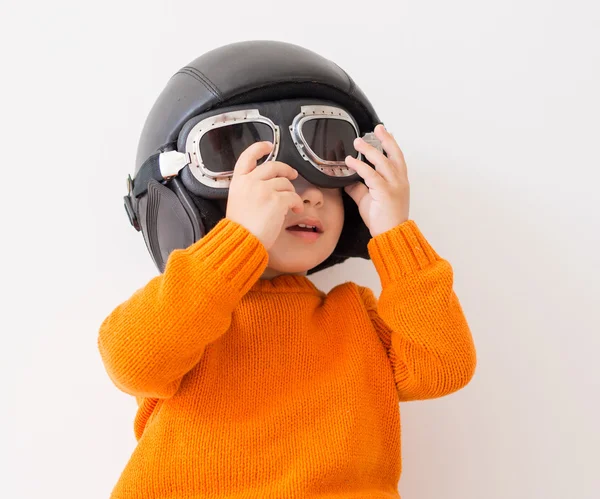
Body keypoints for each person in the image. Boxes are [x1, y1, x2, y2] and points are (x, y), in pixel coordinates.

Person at [98, 40, 477, 498]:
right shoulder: (186, 311)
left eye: (327, 183)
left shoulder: (356, 315)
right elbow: (131, 360)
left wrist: (393, 234)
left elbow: (444, 366)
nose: (309, 195)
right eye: (274, 180)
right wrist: (239, 240)